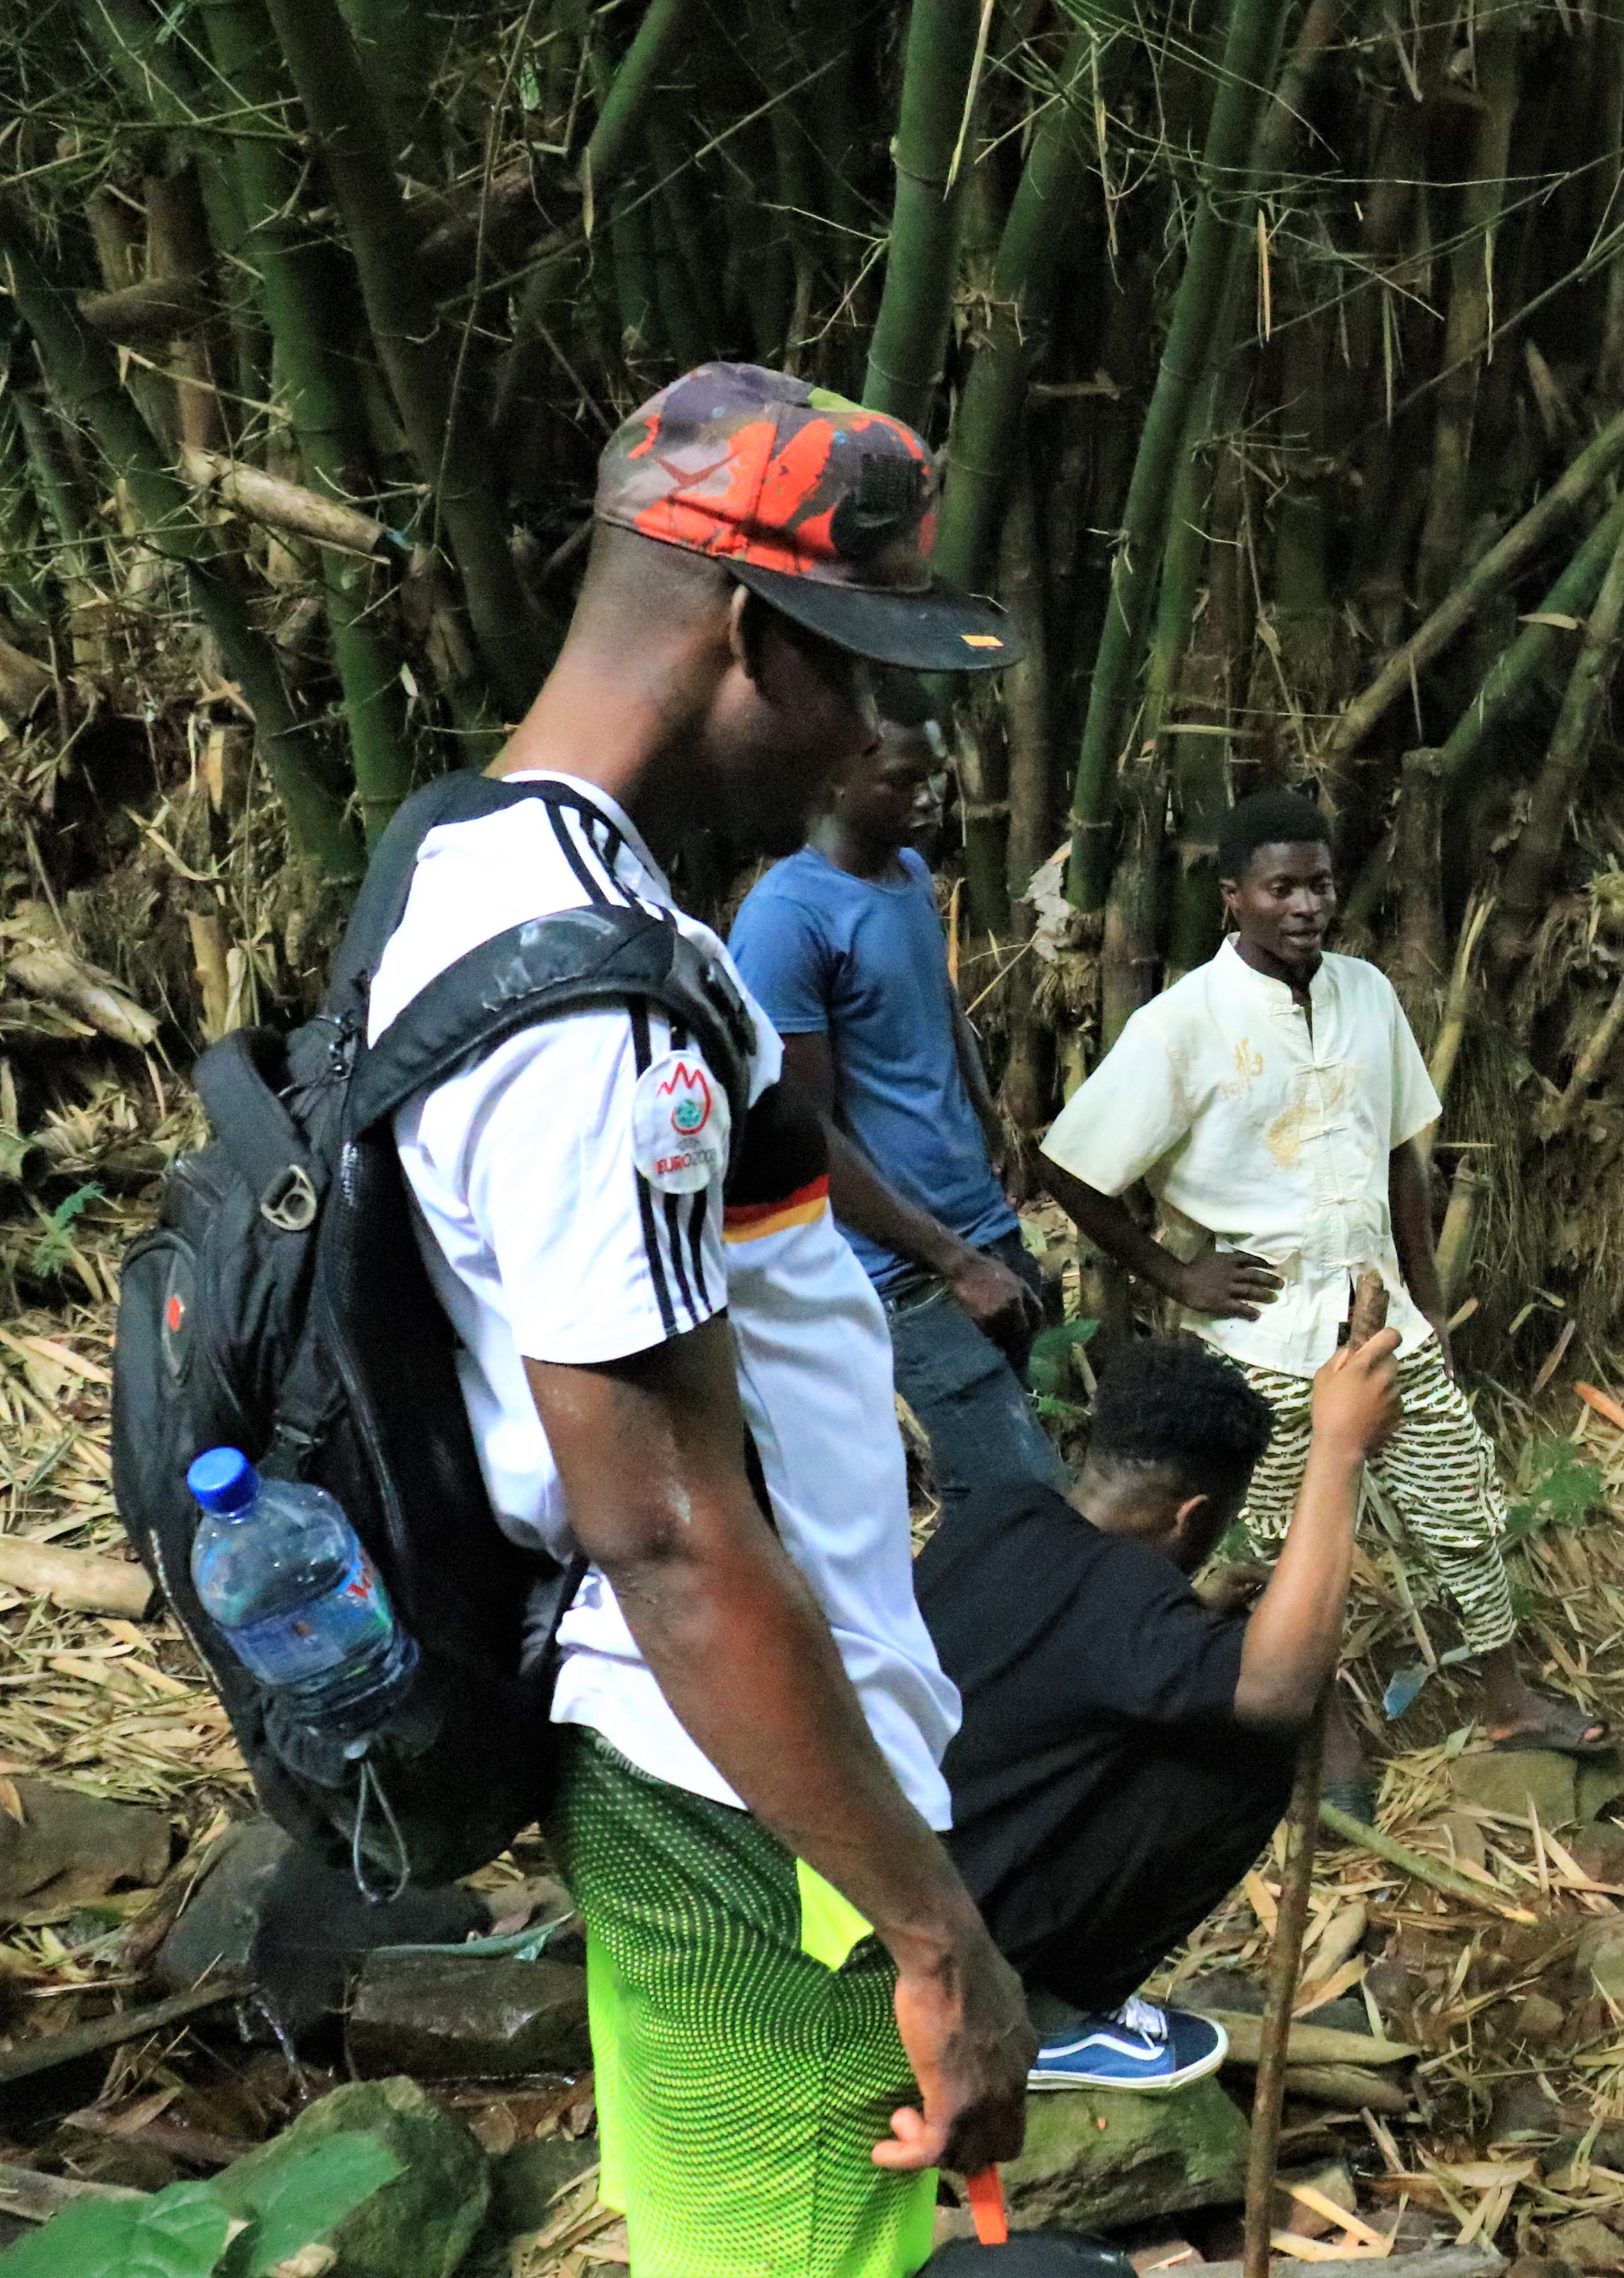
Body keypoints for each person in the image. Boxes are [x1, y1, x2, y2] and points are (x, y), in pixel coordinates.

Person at [372, 364, 1032, 2277]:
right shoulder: (597, 1012)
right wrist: (932, 1934)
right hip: (738, 1794)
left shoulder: (466, 856)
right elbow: (662, 1529)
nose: (865, 737)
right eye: (854, 676)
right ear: (749, 632)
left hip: (704, 1763)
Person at [1039, 788, 1606, 1812]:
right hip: (1260, 1337)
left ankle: (1507, 1699)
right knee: (1268, 1547)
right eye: (1281, 887)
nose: (1306, 905)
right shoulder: (1185, 1025)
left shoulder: (1366, 995)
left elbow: (1401, 1159)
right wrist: (1176, 1274)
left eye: (1321, 884)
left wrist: (1423, 1311)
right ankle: (1325, 1737)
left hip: (1379, 1325)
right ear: (1234, 900)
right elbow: (1072, 1168)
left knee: (1458, 1509)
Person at [921, 1325, 1400, 2090]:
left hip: (897, 1886)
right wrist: (1337, 1453)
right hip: (963, 1951)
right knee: (1248, 1747)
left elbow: (1066, 1639)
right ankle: (1051, 2019)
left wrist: (1182, 1606)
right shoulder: (1126, 1605)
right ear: (1195, 1517)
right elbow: (1279, 1692)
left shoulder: (1001, 1515)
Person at [730, 680, 1060, 1528]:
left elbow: (939, 1008)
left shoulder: (909, 874)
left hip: (976, 1221)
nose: (929, 799)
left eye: (935, 778)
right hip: (900, 1264)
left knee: (991, 1500)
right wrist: (953, 1262)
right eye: (905, 781)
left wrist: (993, 1125)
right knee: (1018, 1496)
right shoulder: (787, 921)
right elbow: (805, 1132)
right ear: (838, 777)